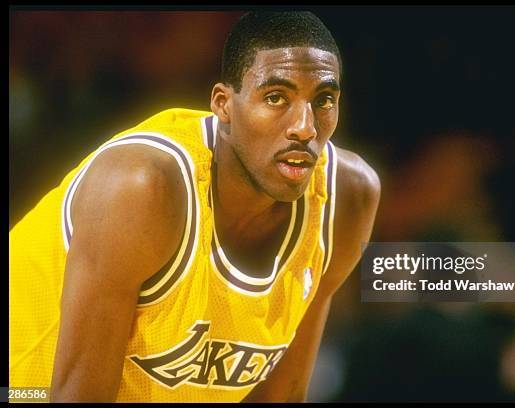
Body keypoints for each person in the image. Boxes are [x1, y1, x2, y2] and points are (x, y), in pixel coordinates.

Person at [9, 11, 380, 402]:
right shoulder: (142, 187)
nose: (305, 127)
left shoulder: (346, 199)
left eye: (323, 100)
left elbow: (283, 395)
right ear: (223, 105)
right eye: (276, 98)